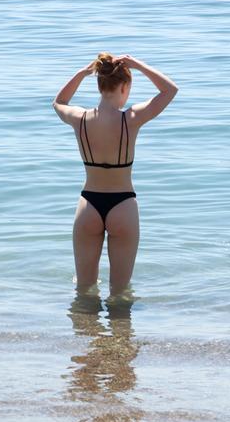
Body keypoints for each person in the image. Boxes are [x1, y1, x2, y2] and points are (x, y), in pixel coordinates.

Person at [53, 53, 177, 296]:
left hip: (89, 205)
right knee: (120, 293)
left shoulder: (80, 119)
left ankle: (87, 331)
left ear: (99, 86)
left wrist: (82, 73)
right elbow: (169, 90)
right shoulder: (130, 119)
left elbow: (59, 102)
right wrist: (138, 64)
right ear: (124, 86)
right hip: (123, 205)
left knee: (84, 289)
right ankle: (121, 333)